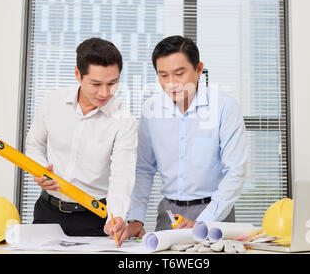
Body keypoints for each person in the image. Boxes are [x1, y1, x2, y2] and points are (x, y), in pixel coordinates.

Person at [120, 35, 248, 245]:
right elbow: (144, 168)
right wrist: (136, 218)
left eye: (179, 74)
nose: (171, 83)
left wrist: (204, 221)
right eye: (163, 75)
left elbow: (235, 170)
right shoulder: (151, 109)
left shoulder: (224, 107)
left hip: (215, 214)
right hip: (168, 214)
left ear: (198, 69)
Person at [25, 38, 137, 242]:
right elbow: (34, 144)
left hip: (94, 219)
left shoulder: (125, 121)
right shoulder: (52, 102)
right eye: (96, 84)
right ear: (78, 74)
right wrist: (41, 170)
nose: (105, 92)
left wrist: (116, 215)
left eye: (112, 83)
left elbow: (122, 174)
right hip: (47, 212)